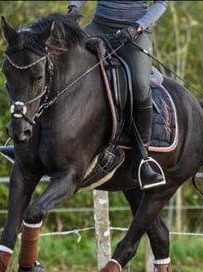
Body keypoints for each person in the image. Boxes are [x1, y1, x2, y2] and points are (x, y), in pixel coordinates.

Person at [68, 0, 168, 189]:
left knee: (139, 85)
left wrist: (138, 27)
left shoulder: (137, 28)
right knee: (60, 55)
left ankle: (143, 161)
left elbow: (161, 3)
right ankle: (32, 142)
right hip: (99, 26)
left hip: (135, 32)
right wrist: (74, 7)